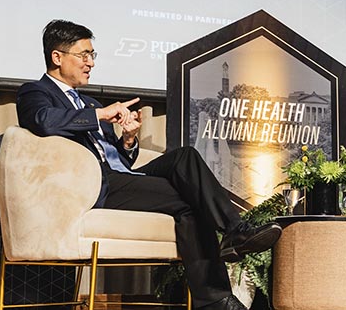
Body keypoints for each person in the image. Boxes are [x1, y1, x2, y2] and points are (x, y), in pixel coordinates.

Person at [16, 19, 281, 310]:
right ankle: (217, 292)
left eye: (93, 55)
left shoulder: (89, 102)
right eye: (84, 55)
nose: (90, 63)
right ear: (57, 57)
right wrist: (102, 116)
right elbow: (43, 121)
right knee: (190, 203)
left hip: (122, 176)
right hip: (95, 185)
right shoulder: (36, 93)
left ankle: (234, 231)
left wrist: (128, 140)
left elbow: (117, 157)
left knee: (186, 157)